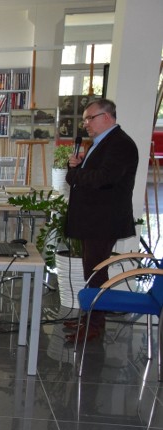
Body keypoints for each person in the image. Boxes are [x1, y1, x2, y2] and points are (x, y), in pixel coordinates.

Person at [64, 98, 139, 342]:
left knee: (96, 272)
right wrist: (75, 167)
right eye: (85, 118)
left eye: (90, 118)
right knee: (92, 270)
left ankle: (95, 325)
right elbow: (82, 177)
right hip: (93, 220)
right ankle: (91, 318)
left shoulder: (120, 144)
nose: (85, 123)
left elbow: (105, 178)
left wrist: (77, 172)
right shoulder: (101, 143)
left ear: (106, 117)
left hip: (103, 221)